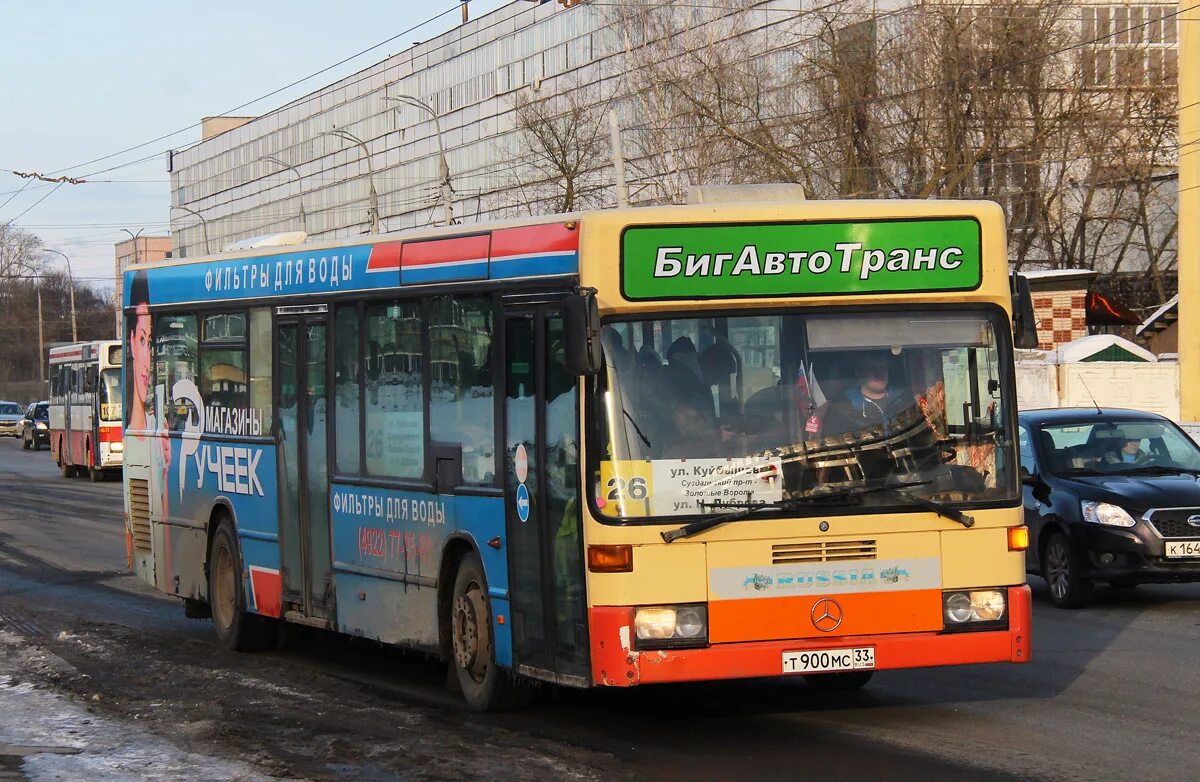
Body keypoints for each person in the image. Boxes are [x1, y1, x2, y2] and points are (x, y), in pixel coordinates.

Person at [126, 270, 171, 519]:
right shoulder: (133, 438)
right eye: (143, 340)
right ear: (132, 342)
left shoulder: (161, 431)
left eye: (152, 342)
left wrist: (166, 475)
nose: (148, 359)